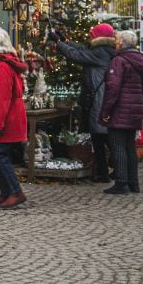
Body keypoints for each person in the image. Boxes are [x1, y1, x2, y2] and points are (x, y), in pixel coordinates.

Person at [53, 22, 115, 182]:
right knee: (103, 137)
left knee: (101, 138)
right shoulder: (104, 49)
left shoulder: (101, 51)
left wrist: (59, 44)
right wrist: (66, 41)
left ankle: (107, 172)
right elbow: (82, 50)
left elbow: (78, 55)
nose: (90, 36)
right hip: (99, 99)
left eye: (92, 34)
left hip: (99, 100)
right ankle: (110, 170)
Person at [0, 27, 29, 209]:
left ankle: (16, 192)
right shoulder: (6, 63)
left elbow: (3, 97)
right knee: (2, 153)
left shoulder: (2, 66)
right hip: (11, 115)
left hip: (7, 118)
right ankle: (5, 193)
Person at [100, 30, 143, 194]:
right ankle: (133, 182)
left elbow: (113, 88)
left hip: (120, 109)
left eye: (116, 39)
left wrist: (106, 110)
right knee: (130, 146)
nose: (115, 41)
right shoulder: (141, 60)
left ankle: (122, 182)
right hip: (134, 108)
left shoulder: (118, 61)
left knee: (118, 146)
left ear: (121, 43)